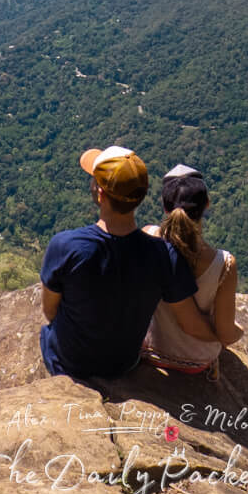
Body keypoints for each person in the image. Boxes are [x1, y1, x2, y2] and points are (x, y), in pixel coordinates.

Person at [39, 145, 218, 379]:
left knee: (47, 331)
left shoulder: (66, 246)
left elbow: (50, 310)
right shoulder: (165, 255)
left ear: (100, 193)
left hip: (68, 363)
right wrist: (221, 338)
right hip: (123, 364)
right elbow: (191, 323)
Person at [141, 164, 241, 374]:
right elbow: (225, 333)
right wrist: (239, 333)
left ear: (165, 206)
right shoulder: (223, 264)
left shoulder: (148, 237)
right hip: (196, 360)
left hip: (149, 350)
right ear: (207, 204)